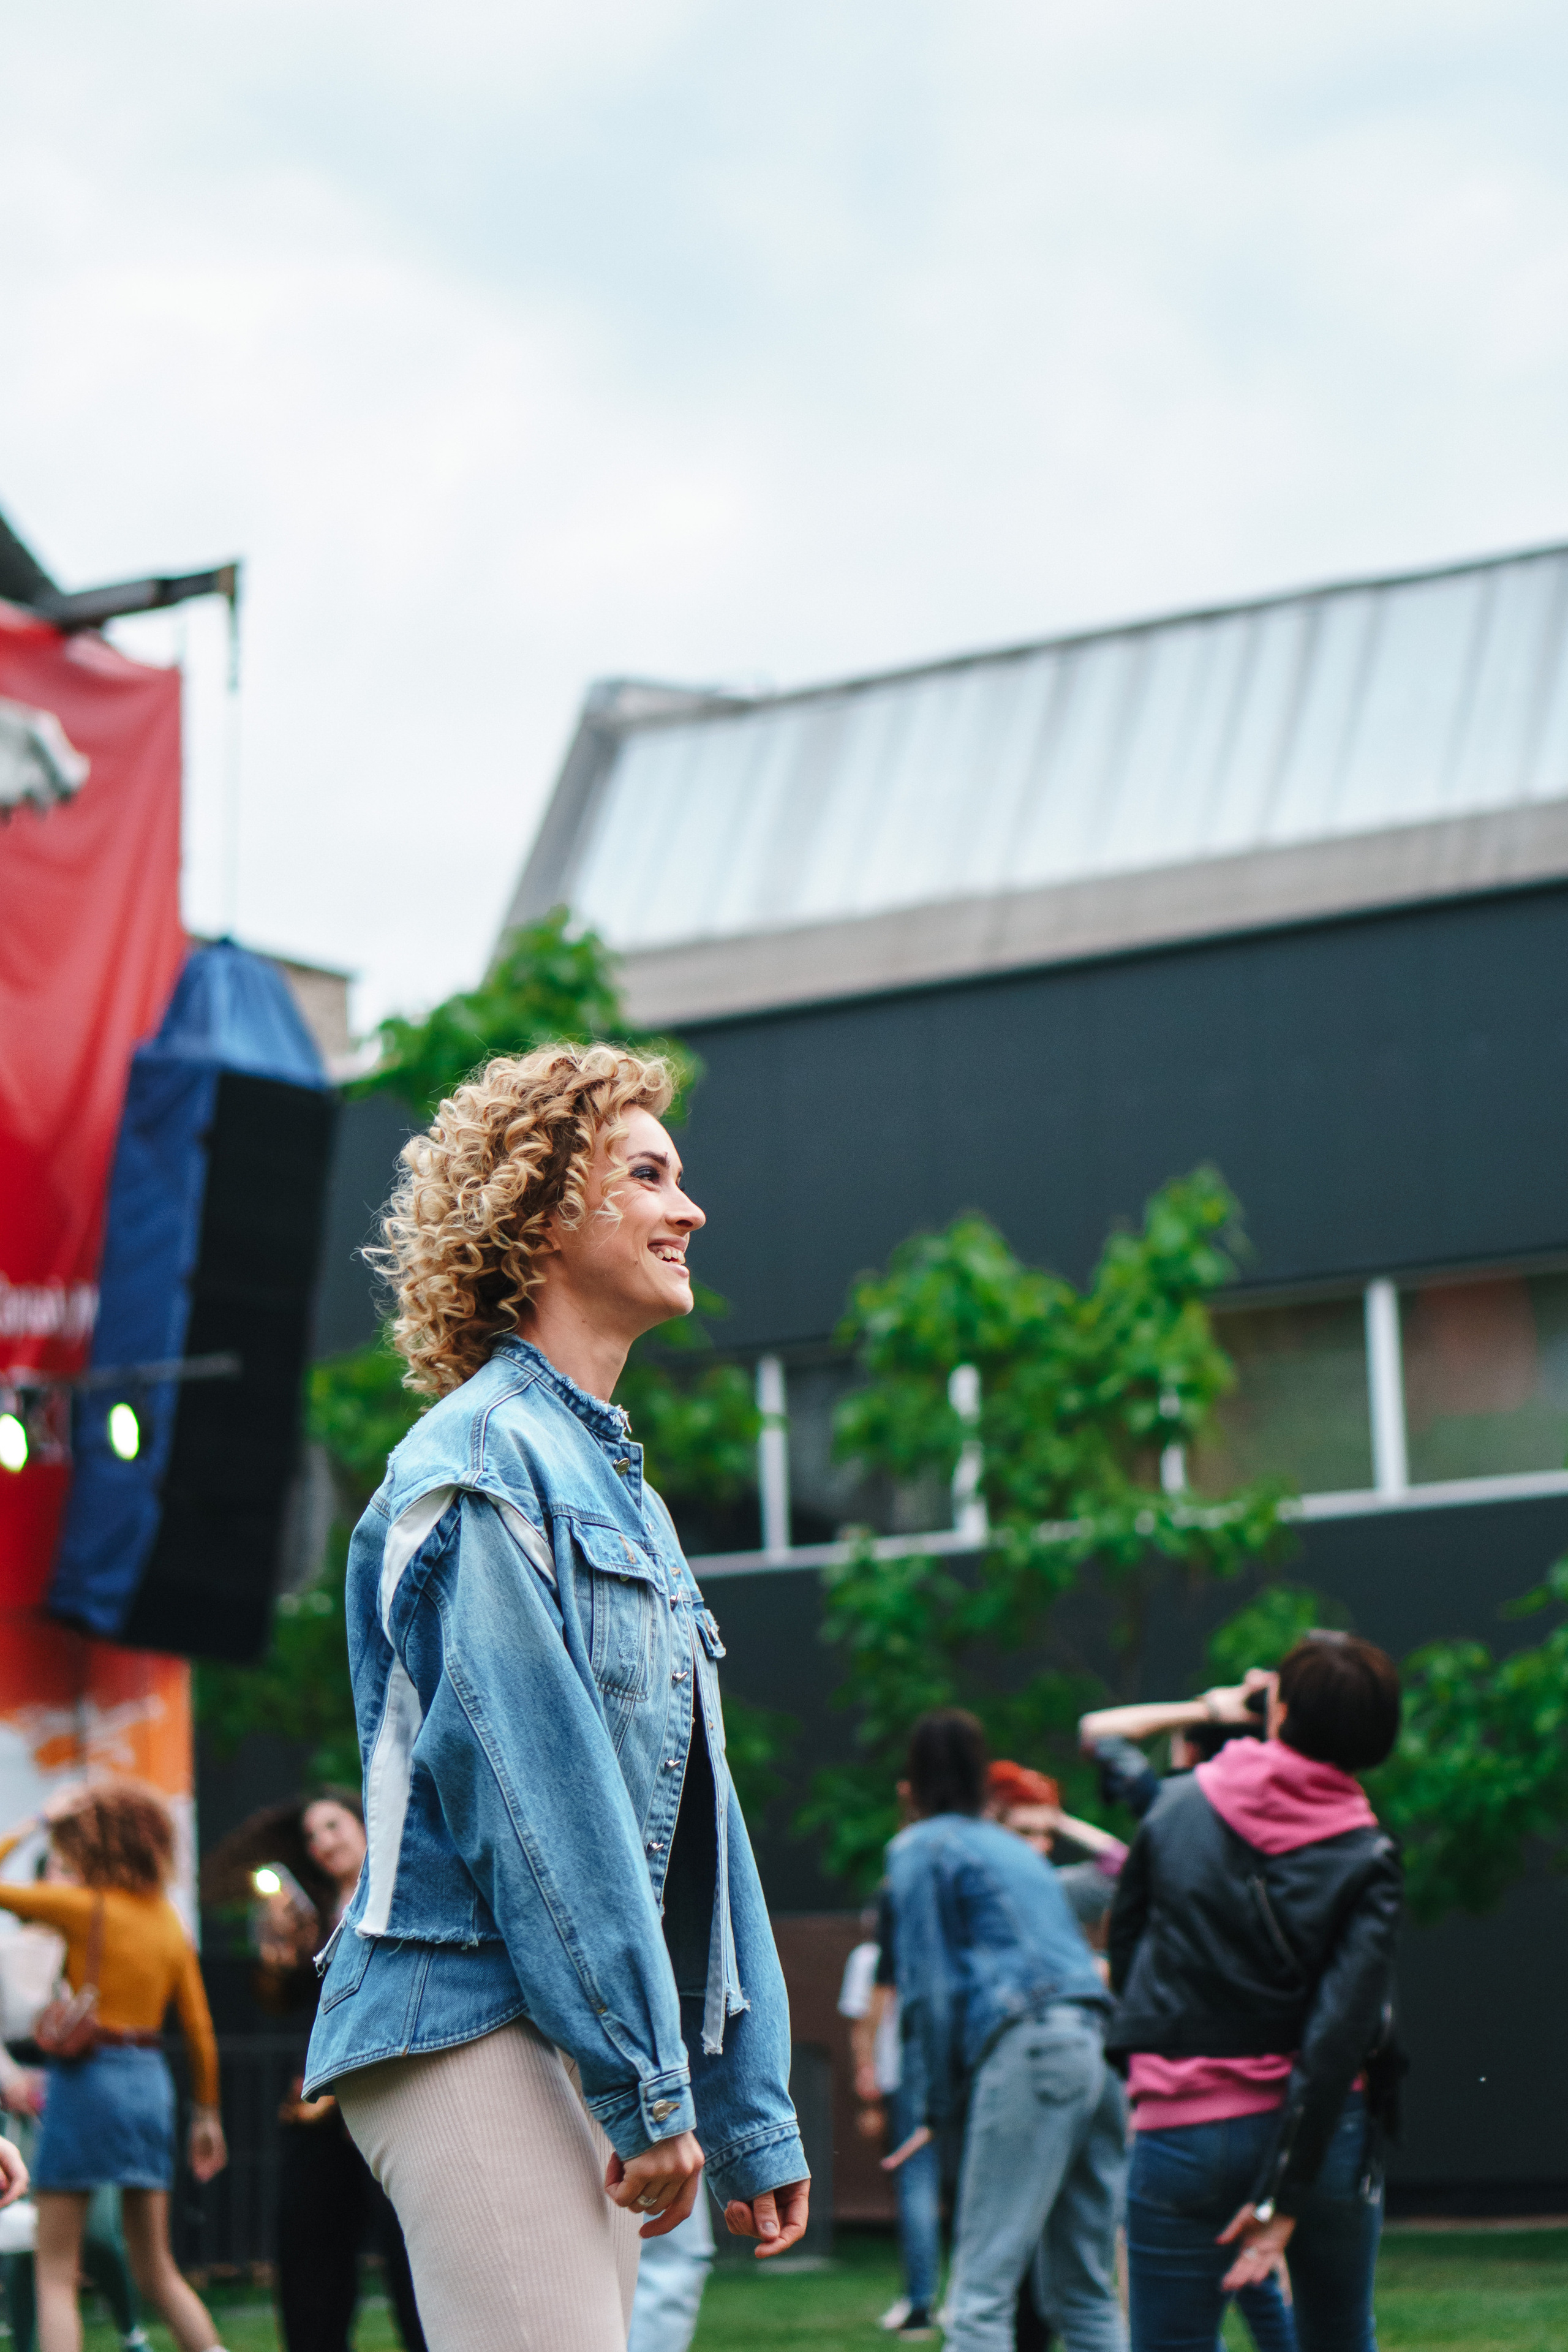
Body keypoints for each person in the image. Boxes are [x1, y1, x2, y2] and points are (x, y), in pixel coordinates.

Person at [303, 1044, 809, 2351]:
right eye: (646, 1175)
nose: (687, 1208)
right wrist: (652, 2086)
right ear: (538, 1214)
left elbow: (701, 1818)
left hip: (560, 2018)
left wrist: (745, 2102)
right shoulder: (475, 1463)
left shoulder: (618, 1489)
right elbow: (538, 1803)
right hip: (463, 2010)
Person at [1107, 1637, 1404, 2352]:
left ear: (1280, 1715)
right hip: (1325, 2140)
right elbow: (1339, 2037)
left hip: (1180, 2129)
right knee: (1337, 2338)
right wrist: (1284, 2193)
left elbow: (1127, 1953)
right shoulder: (1368, 1854)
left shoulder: (1175, 1808)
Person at [884, 1710, 1128, 2352]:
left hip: (1032, 2050)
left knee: (978, 2296)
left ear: (911, 1783)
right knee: (1083, 2292)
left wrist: (936, 2105)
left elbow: (930, 1990)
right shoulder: (1016, 1855)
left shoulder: (921, 1847)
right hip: (1099, 2054)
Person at [0, 1782, 230, 2352]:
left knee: (55, 2272)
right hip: (150, 2082)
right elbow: (200, 2031)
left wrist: (36, 1819)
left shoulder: (84, 1907)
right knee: (158, 2269)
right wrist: (207, 2114)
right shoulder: (166, 1922)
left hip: (88, 2080)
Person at [202, 1790, 425, 2352]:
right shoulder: (309, 1915)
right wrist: (278, 1959)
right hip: (319, 2110)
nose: (322, 1842)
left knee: (415, 2261)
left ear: (365, 1823)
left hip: (398, 2097)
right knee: (310, 2259)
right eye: (311, 1836)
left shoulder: (406, 1892)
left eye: (333, 1826)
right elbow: (281, 2003)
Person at [0, 2043, 148, 2352]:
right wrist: (11, 2080)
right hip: (18, 2104)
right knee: (23, 2245)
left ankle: (131, 2332)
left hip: (80, 2095)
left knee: (100, 2236)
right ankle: (23, 2345)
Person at [840, 1900, 941, 2340]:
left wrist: (870, 2092)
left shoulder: (869, 1959)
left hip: (905, 2080)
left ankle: (920, 2302)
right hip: (960, 2076)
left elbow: (863, 2026)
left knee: (915, 2185)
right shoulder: (946, 1947)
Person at [1077, 1691, 1265, 1820]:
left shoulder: (1171, 1809)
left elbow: (1096, 1729)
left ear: (1192, 1751)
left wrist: (1207, 1711)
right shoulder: (1265, 1813)